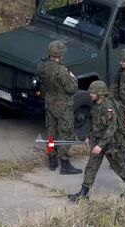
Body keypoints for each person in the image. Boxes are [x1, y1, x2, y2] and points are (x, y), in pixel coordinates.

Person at [68, 81, 125, 202]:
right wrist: (89, 136)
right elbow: (92, 121)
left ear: (100, 94)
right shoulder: (95, 105)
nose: (90, 94)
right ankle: (83, 193)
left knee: (118, 166)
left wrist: (100, 146)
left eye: (93, 93)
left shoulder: (108, 107)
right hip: (98, 141)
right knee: (91, 166)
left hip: (111, 143)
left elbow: (112, 128)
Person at [37, 40, 82, 174]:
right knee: (65, 134)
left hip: (50, 103)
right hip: (63, 106)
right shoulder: (61, 70)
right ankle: (65, 164)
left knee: (51, 133)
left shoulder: (42, 66)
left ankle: (52, 160)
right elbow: (72, 88)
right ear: (60, 55)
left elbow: (43, 81)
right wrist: (73, 78)